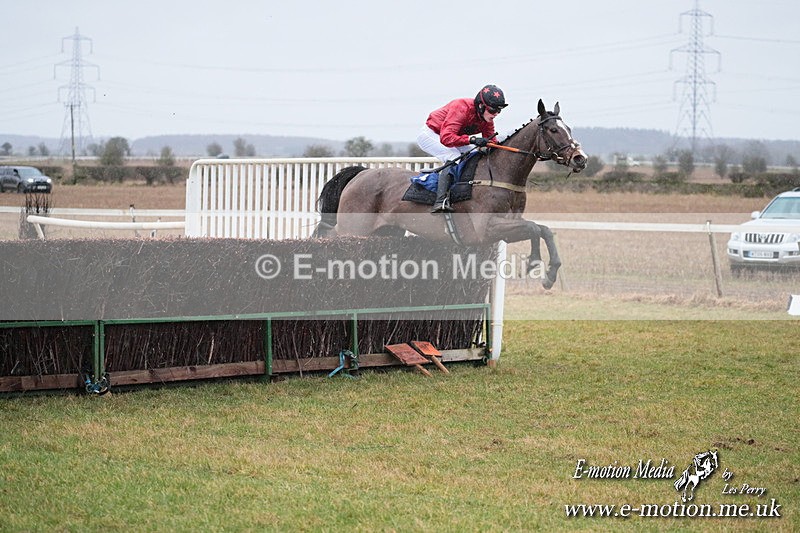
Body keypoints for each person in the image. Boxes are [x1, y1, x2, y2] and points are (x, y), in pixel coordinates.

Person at [417, 84, 507, 213]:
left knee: (475, 153)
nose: (496, 114)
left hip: (452, 136)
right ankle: (440, 201)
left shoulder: (487, 119)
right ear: (481, 106)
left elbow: (491, 144)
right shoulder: (461, 107)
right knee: (452, 156)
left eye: (499, 111)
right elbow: (446, 138)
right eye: (493, 110)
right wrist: (473, 140)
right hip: (432, 134)